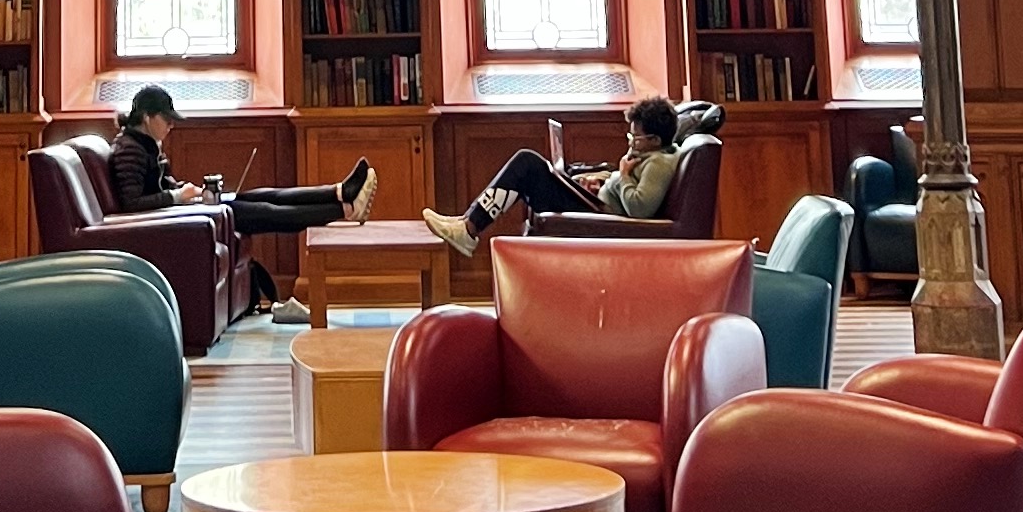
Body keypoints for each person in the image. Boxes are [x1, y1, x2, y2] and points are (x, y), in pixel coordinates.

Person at [105, 84, 375, 328]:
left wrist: (186, 191)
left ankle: (340, 192)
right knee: (268, 213)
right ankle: (345, 210)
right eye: (166, 119)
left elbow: (160, 185)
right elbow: (132, 203)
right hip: (175, 221)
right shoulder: (130, 149)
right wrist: (178, 197)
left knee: (265, 195)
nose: (171, 126)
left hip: (183, 213)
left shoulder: (145, 144)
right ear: (147, 117)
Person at [425, 97, 686, 257]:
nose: (631, 142)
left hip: (601, 216)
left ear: (654, 140)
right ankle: (468, 222)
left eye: (635, 137)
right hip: (596, 203)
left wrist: (625, 176)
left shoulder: (660, 164)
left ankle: (469, 229)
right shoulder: (649, 155)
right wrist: (602, 180)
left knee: (527, 163)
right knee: (534, 168)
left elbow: (639, 209)